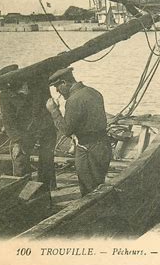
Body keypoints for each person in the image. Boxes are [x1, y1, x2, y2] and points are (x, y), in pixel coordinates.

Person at [46, 67, 112, 196]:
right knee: (98, 184)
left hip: (88, 149)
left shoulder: (74, 100)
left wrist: (54, 111)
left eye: (57, 87)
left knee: (89, 190)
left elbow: (66, 130)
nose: (57, 91)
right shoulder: (94, 92)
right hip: (103, 145)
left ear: (64, 82)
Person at [0, 64, 57, 189]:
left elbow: (47, 104)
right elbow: (8, 121)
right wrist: (17, 141)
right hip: (24, 131)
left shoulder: (38, 82)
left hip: (44, 125)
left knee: (47, 158)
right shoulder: (5, 94)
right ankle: (21, 189)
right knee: (19, 158)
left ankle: (45, 189)